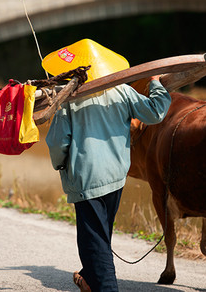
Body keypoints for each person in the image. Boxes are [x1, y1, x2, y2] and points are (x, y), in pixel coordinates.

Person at [43, 39, 171, 292]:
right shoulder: (122, 91)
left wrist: (60, 165)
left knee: (94, 241)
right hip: (115, 175)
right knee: (100, 234)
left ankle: (107, 287)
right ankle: (89, 279)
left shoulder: (69, 100)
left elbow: (58, 143)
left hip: (86, 178)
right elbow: (155, 112)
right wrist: (155, 83)